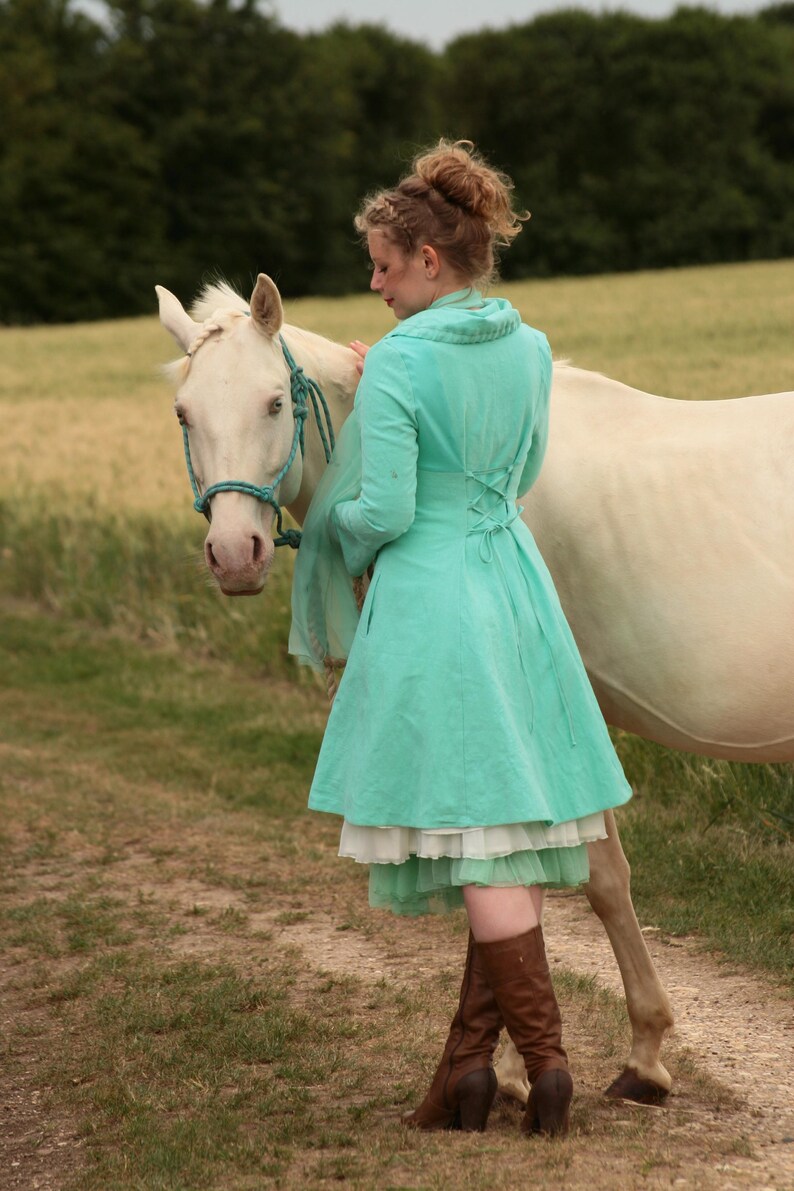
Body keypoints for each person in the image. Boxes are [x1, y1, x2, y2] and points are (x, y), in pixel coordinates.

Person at [289, 140, 632, 1137]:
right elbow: (518, 471)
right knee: (504, 833)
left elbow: (385, 509)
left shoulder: (398, 361)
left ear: (429, 263)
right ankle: (466, 1075)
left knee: (481, 838)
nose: (373, 284)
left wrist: (332, 527)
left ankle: (550, 1065)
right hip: (514, 587)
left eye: (383, 268)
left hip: (436, 599)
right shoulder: (527, 349)